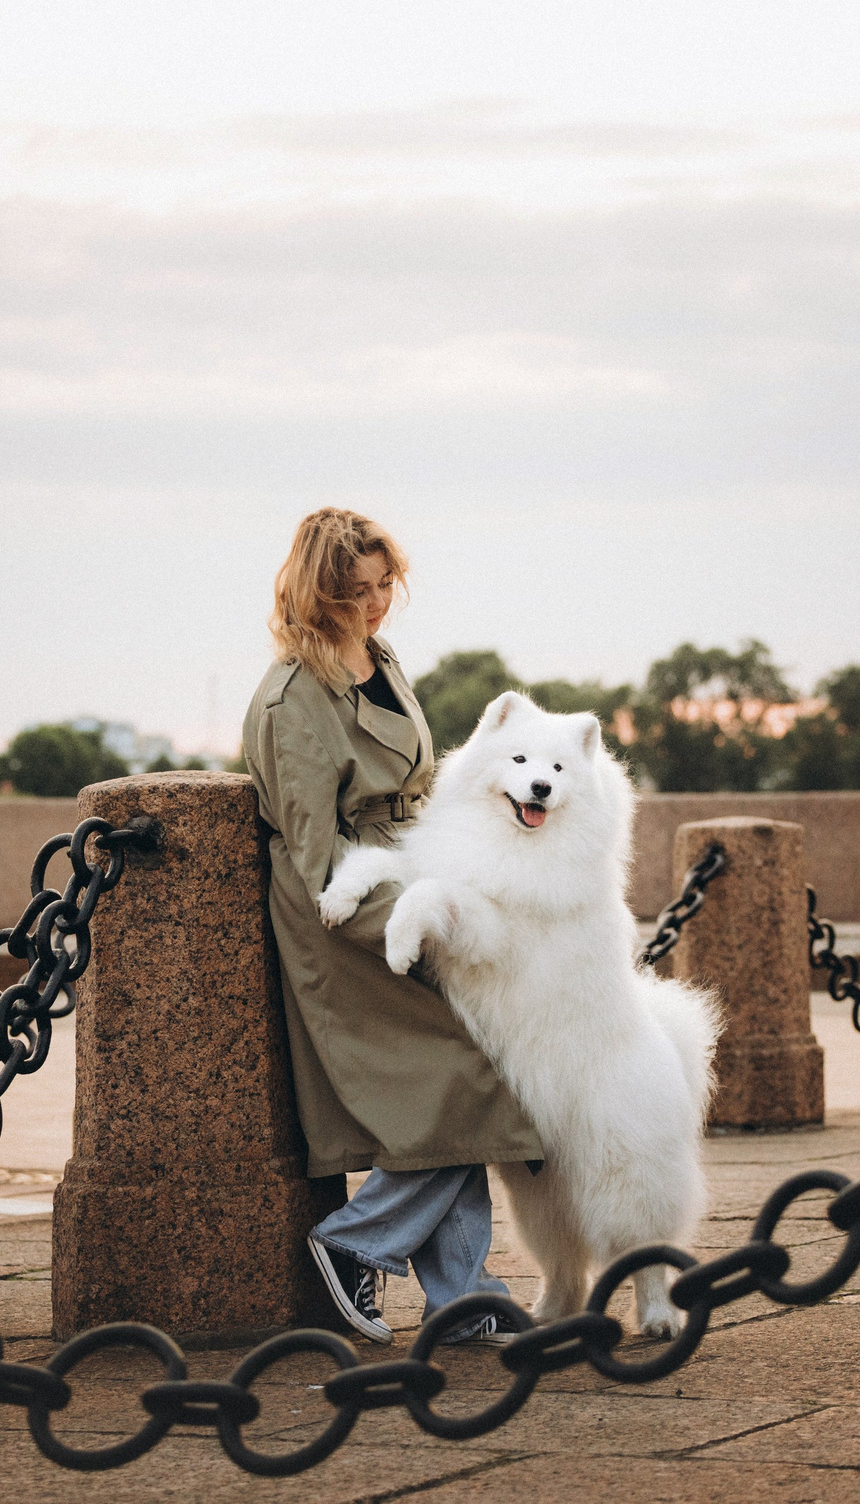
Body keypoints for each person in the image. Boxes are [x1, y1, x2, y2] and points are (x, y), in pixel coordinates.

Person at [239, 508, 545, 1345]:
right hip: (347, 917)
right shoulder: (292, 699)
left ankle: (463, 1299)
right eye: (356, 591)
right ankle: (355, 1242)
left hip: (411, 874)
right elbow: (316, 861)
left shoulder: (379, 659)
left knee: (455, 1091)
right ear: (318, 592)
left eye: (385, 586)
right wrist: (429, 921)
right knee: (472, 1078)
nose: (376, 604)